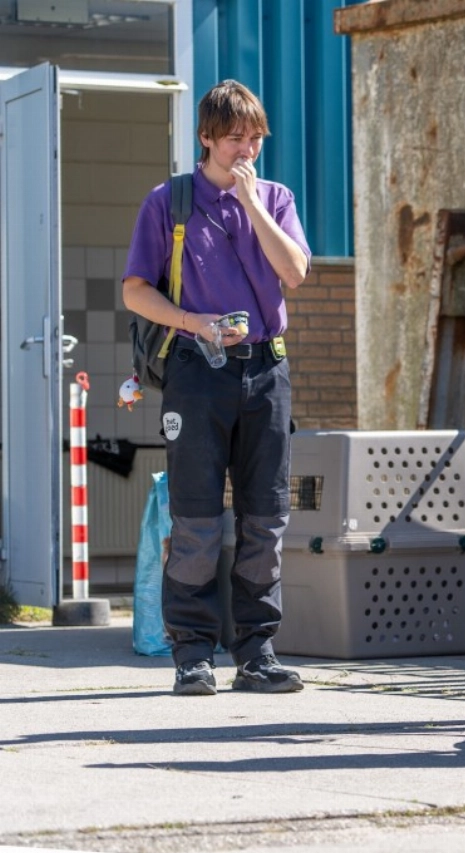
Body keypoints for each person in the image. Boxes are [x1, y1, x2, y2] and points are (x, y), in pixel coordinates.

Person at [122, 80, 310, 696]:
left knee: (265, 517)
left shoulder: (275, 198)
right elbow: (135, 289)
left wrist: (253, 205)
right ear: (206, 137)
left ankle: (256, 652)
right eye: (235, 138)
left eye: (256, 138)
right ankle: (193, 653)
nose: (248, 149)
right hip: (197, 370)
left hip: (267, 369)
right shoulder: (169, 202)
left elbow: (296, 273)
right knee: (197, 517)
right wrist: (193, 322)